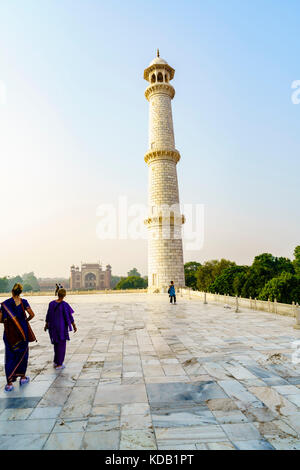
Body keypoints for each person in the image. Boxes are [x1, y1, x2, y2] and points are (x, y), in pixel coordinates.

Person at [0, 283, 35, 391]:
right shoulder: (24, 302)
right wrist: (24, 322)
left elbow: (0, 319)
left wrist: (9, 322)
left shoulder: (5, 304)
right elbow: (32, 314)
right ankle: (23, 377)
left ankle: (9, 383)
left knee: (10, 356)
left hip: (10, 334)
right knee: (22, 355)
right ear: (20, 292)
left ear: (12, 291)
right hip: (22, 333)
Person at [44, 288, 77, 370]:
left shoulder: (51, 304)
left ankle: (55, 361)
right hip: (61, 328)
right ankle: (59, 364)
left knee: (56, 345)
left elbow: (48, 315)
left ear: (57, 294)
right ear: (64, 295)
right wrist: (74, 325)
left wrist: (46, 325)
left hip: (53, 327)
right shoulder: (65, 305)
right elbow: (70, 317)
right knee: (61, 346)